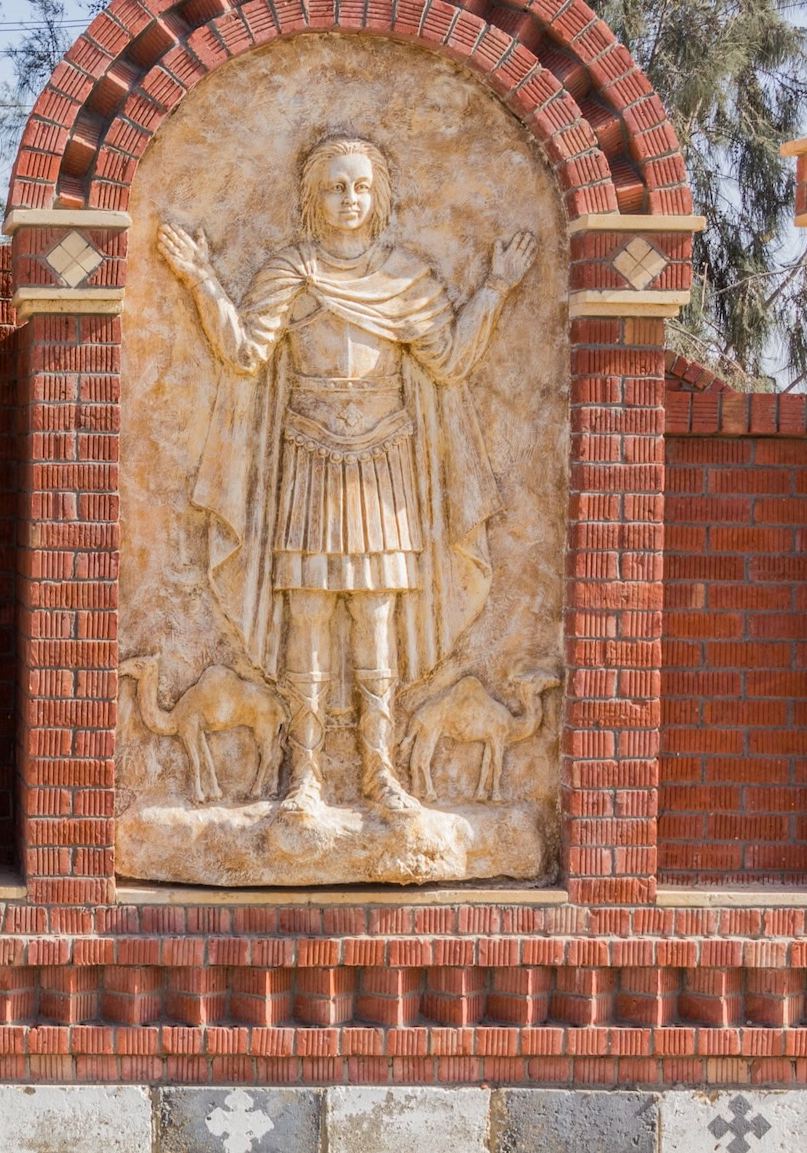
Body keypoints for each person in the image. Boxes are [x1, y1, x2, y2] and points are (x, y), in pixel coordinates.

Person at [157, 135, 536, 818]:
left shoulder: (406, 278)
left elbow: (450, 360)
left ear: (380, 196)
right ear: (313, 197)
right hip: (310, 457)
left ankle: (380, 774)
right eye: (336, 187)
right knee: (307, 613)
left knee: (376, 615)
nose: (349, 200)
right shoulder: (292, 271)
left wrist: (497, 286)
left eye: (361, 187)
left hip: (384, 463)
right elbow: (244, 354)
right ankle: (304, 778)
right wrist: (201, 278)